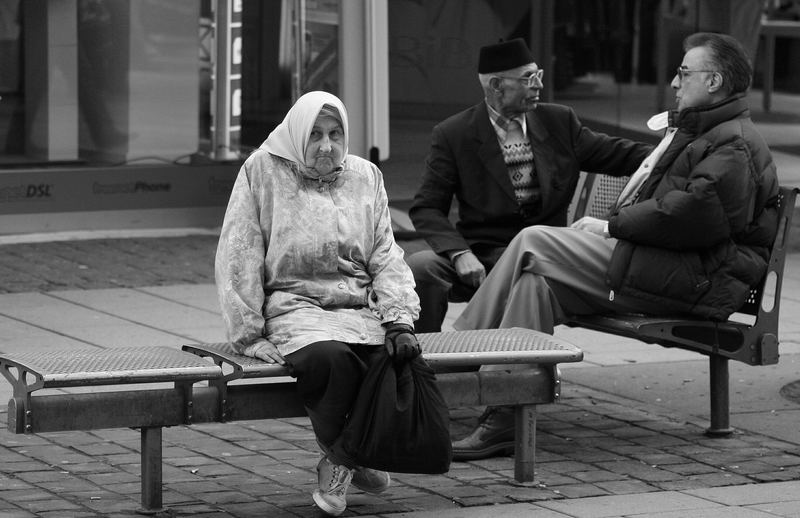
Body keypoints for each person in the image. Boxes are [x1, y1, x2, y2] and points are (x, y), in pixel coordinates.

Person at [452, 32, 780, 460]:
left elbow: (696, 215)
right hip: (664, 265)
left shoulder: (733, 141)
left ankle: (456, 358)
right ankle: (506, 415)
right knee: (536, 287)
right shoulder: (707, 132)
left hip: (693, 279)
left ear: (714, 81)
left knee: (534, 240)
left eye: (684, 72)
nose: (675, 83)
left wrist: (612, 226)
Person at [215, 91, 421, 517]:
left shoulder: (366, 176)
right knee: (329, 358)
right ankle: (352, 456)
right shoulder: (262, 171)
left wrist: (399, 318)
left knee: (384, 355)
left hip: (357, 306)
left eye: (335, 133)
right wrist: (249, 335)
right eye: (316, 135)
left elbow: (386, 253)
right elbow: (240, 253)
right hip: (295, 306)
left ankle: (341, 459)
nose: (327, 145)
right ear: (297, 135)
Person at [406, 38, 652, 335]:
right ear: (496, 85)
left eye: (540, 75)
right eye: (528, 78)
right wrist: (459, 253)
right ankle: (423, 361)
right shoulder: (454, 134)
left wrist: (678, 148)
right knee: (421, 267)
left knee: (530, 279)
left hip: (542, 255)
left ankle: (489, 360)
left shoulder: (559, 121)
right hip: (482, 254)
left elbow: (622, 154)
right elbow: (427, 208)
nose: (538, 85)